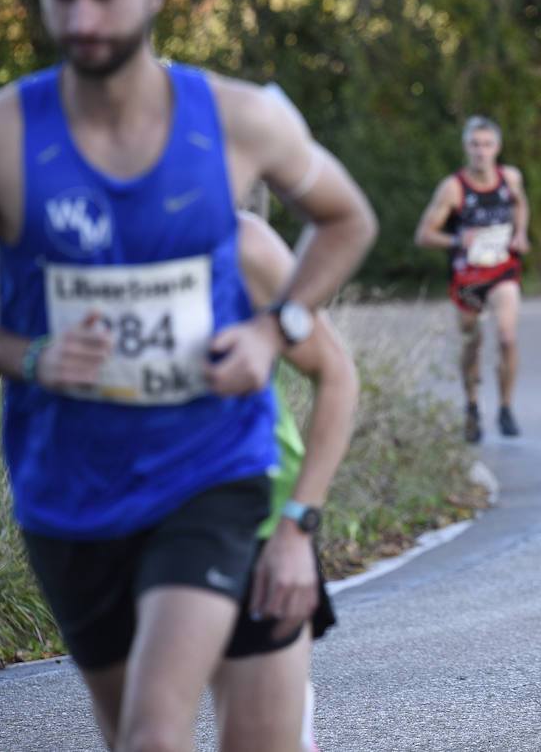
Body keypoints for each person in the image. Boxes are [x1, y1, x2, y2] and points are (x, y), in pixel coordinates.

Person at [0, 0, 376, 752]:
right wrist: (30, 357)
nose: (84, 20)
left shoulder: (239, 120)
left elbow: (347, 218)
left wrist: (274, 327)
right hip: (69, 494)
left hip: (214, 469)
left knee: (154, 734)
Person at [216, 211, 358, 752]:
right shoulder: (71, 230)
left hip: (260, 506)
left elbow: (346, 216)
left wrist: (299, 520)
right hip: (124, 515)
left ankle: (287, 712)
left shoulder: (241, 239)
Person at [414, 116, 530, 442]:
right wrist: (456, 240)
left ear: (497, 147)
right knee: (472, 343)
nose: (481, 152)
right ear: (466, 148)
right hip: (467, 276)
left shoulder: (510, 178)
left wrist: (520, 233)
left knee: (507, 337)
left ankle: (505, 408)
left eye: (487, 144)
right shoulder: (454, 188)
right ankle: (472, 406)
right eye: (475, 145)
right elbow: (423, 234)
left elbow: (521, 204)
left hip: (503, 269)